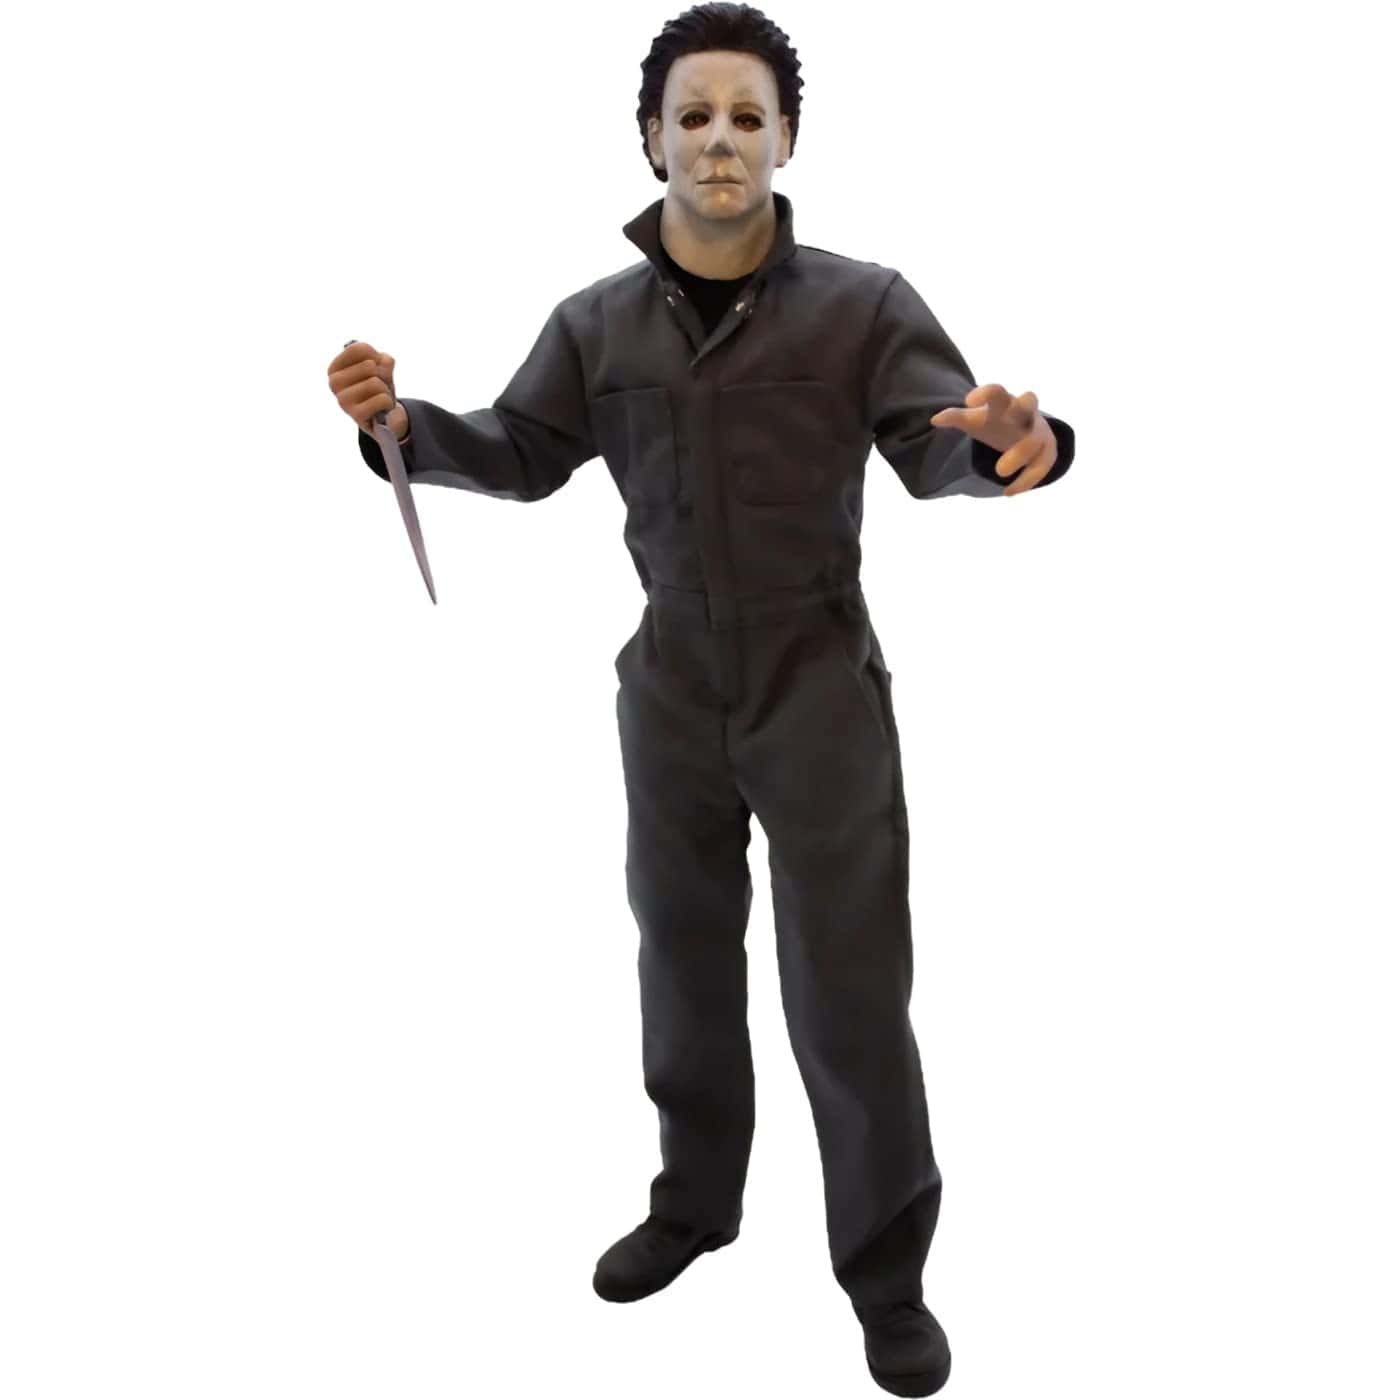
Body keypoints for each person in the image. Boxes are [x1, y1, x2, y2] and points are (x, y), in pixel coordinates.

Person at [325, 5, 1075, 1393]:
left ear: (788, 139)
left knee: (849, 987)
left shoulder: (864, 306)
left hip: (816, 680)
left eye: (746, 116)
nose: (719, 140)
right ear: (650, 138)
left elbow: (941, 443)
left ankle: (887, 1275)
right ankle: (695, 1204)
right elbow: (522, 449)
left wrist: (1013, 449)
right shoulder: (595, 324)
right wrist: (405, 429)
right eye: (693, 116)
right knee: (680, 958)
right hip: (668, 681)